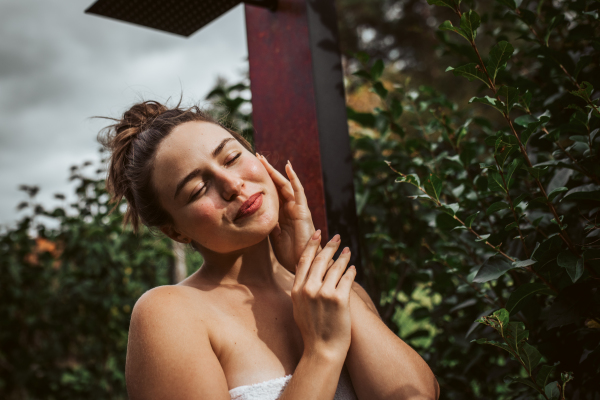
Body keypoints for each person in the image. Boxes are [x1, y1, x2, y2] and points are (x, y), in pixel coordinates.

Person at [100, 100, 440, 400]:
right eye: (198, 188)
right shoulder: (169, 315)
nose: (233, 185)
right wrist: (321, 353)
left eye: (232, 157)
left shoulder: (330, 289)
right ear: (174, 230)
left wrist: (310, 259)